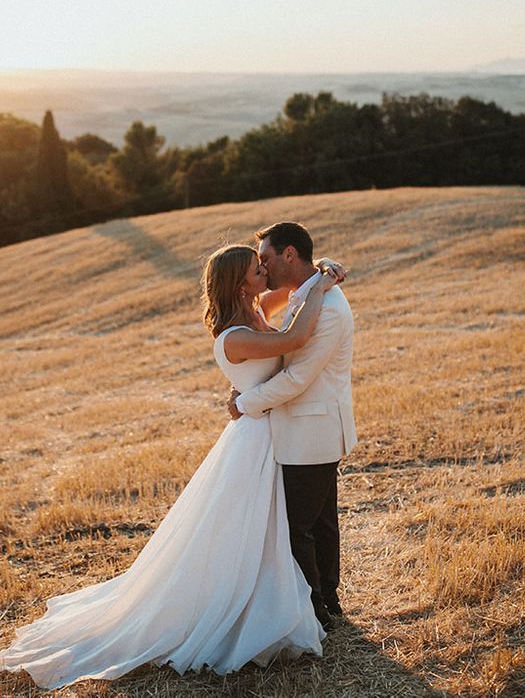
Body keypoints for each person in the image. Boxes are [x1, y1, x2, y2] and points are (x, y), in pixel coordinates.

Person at [0, 244, 344, 690]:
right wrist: (326, 281)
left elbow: (291, 297)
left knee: (266, 529)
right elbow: (294, 339)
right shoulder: (234, 336)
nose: (265, 269)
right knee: (242, 531)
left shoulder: (256, 308)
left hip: (267, 432)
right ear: (241, 284)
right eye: (257, 267)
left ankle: (293, 598)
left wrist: (318, 274)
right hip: (254, 440)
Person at [227, 221, 357, 632]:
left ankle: (316, 611)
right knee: (317, 522)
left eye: (265, 258)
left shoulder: (330, 308)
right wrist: (322, 271)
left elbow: (297, 379)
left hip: (311, 429)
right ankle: (326, 604)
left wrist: (244, 404)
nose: (262, 267)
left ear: (289, 255)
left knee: (302, 525)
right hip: (302, 428)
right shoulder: (305, 296)